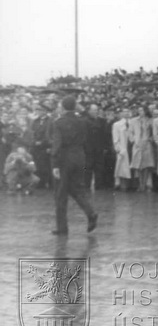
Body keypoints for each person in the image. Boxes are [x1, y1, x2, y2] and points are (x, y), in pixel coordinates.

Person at [50, 96, 98, 234]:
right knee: (77, 189)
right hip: (79, 156)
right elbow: (92, 126)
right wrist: (81, 110)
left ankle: (62, 227)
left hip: (64, 159)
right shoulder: (82, 121)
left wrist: (55, 164)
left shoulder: (58, 122)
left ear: (63, 107)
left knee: (60, 193)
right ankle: (91, 212)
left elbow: (57, 144)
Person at [130, 105, 156, 192]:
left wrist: (150, 139)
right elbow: (130, 132)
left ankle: (144, 184)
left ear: (145, 111)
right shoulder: (133, 121)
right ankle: (140, 183)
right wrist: (134, 140)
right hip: (137, 144)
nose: (140, 112)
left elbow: (154, 132)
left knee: (146, 165)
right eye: (139, 110)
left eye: (142, 110)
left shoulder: (151, 121)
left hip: (147, 144)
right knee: (138, 165)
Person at [111, 107, 133, 190]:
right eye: (124, 111)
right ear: (121, 113)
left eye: (128, 111)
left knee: (131, 166)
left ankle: (132, 185)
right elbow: (115, 139)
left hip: (131, 146)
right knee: (122, 167)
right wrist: (118, 149)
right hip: (123, 148)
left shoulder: (133, 123)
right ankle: (122, 185)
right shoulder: (117, 124)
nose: (126, 113)